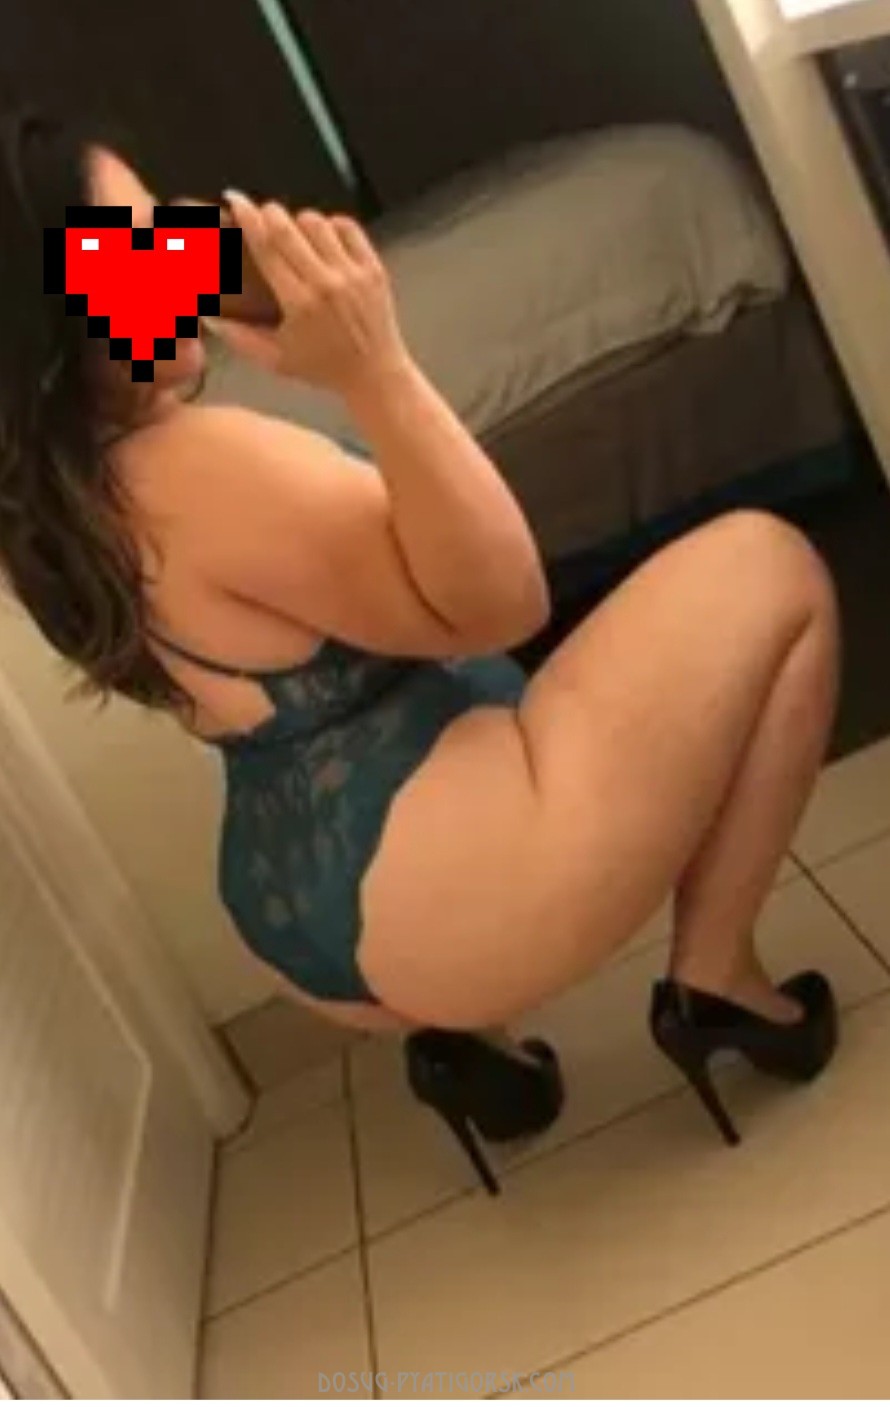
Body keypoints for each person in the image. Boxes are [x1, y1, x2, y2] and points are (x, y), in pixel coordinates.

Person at [0, 107, 840, 1193]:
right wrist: (376, 370)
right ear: (53, 328)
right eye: (129, 248)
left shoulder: (47, 513)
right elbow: (500, 604)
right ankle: (719, 981)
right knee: (772, 567)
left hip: (295, 900)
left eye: (167, 226)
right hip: (434, 890)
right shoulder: (201, 468)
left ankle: (475, 1057)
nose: (174, 259)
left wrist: (241, 280)